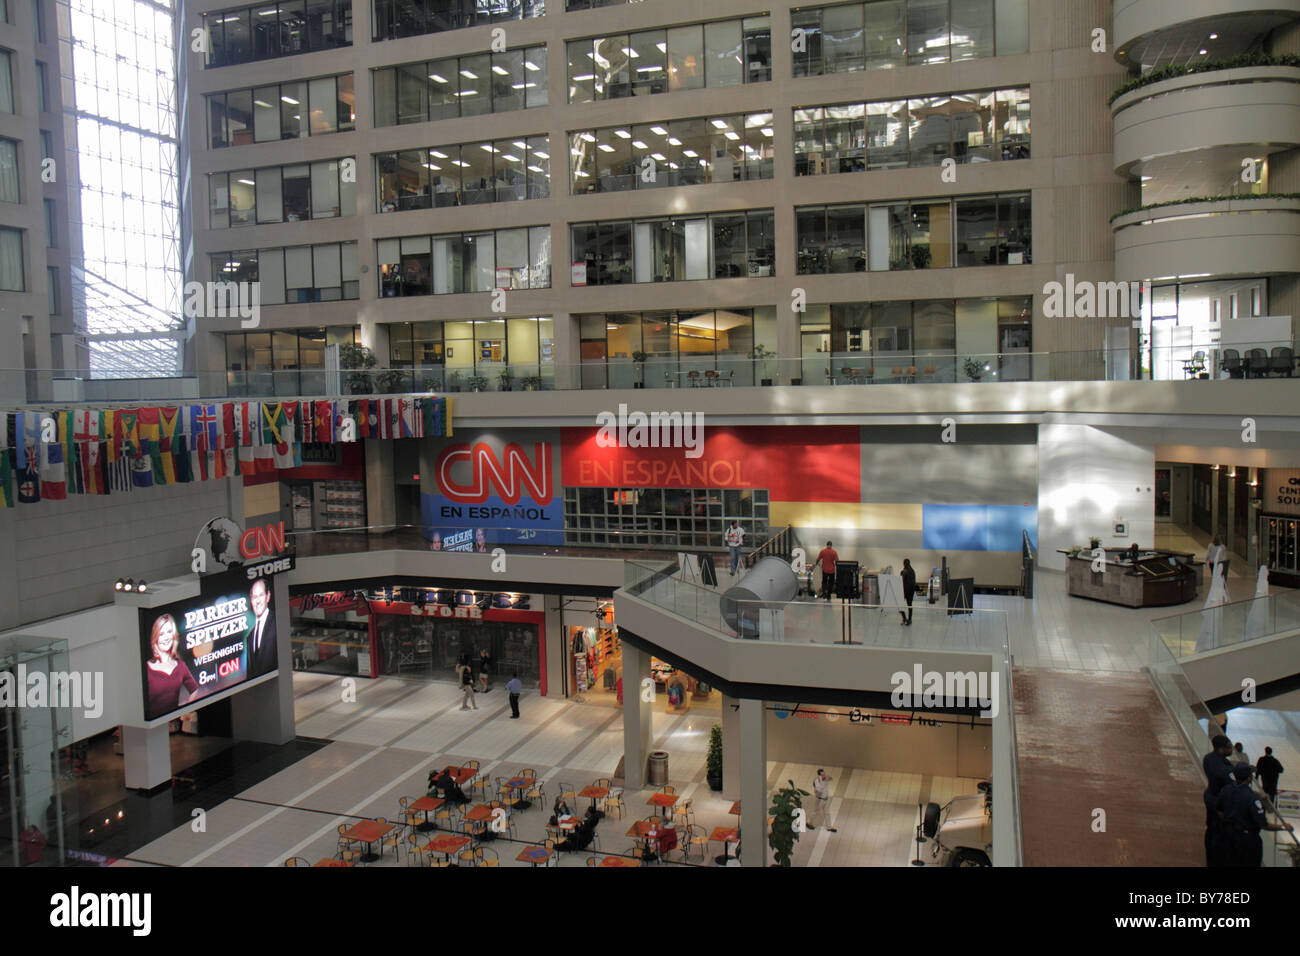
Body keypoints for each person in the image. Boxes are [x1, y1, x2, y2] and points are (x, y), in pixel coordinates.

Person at [1216, 762, 1292, 866]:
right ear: (1248, 778)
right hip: (1247, 841)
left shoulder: (1226, 789)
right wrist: (1283, 827)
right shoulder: (1252, 799)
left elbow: (1219, 810)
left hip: (1228, 835)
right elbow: (1263, 824)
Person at [145, 613, 198, 719]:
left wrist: (184, 712)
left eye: (169, 632)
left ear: (173, 635)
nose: (166, 638)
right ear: (155, 637)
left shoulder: (180, 665)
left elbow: (194, 690)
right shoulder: (146, 669)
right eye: (161, 634)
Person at [1202, 734, 1234, 866]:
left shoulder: (1209, 758)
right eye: (1229, 747)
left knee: (1211, 830)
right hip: (1217, 801)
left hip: (1211, 797)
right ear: (1221, 749)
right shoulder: (1221, 767)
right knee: (1217, 832)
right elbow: (1227, 778)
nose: (1231, 749)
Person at [248, 578, 278, 677]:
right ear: (251, 600)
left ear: (268, 596)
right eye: (254, 597)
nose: (257, 601)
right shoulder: (250, 637)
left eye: (261, 595)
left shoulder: (277, 621)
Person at [900, 558, 917, 626]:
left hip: (904, 591)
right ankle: (909, 619)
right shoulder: (913, 571)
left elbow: (901, 581)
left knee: (900, 605)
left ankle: (904, 618)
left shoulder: (904, 571)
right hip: (911, 591)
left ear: (904, 563)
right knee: (910, 605)